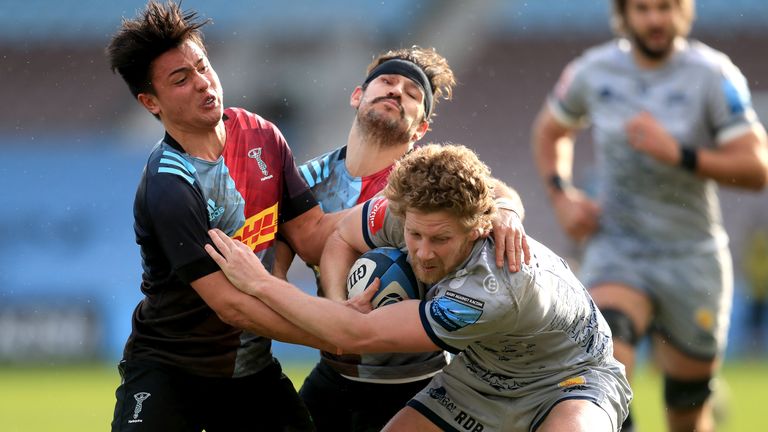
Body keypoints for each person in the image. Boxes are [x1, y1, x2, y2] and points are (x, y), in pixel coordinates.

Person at [206, 144, 632, 432]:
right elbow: (340, 238)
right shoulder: (406, 210)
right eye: (414, 236)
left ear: (478, 227)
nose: (423, 254)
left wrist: (260, 282)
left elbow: (352, 335)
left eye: (441, 240)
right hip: (481, 375)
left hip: (571, 377)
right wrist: (340, 301)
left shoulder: (489, 290)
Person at [530, 0, 768, 430]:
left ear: (683, 12)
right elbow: (550, 130)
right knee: (603, 370)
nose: (655, 19)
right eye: (642, 8)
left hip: (691, 256)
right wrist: (561, 195)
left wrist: (680, 154)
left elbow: (757, 168)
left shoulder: (713, 74)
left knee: (687, 410)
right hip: (617, 248)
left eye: (665, 7)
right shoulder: (593, 70)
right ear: (624, 14)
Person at [106, 1, 344, 430]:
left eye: (203, 66)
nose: (203, 83)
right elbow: (232, 305)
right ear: (150, 102)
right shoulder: (169, 184)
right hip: (169, 371)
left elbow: (310, 233)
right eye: (181, 79)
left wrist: (393, 219)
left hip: (251, 372)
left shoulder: (262, 135)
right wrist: (337, 333)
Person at [284, 47, 529, 431]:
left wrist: (510, 210)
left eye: (412, 93)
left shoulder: (425, 186)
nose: (396, 91)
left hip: (419, 381)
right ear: (356, 96)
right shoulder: (302, 183)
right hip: (334, 372)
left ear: (421, 129)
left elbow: (497, 192)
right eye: (387, 82)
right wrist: (336, 318)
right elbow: (271, 272)